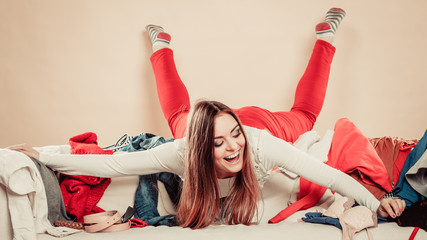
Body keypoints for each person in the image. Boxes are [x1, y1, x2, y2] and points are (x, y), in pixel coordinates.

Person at [8, 8, 406, 229]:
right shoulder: (183, 152)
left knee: (304, 114)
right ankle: (161, 45)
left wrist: (380, 201)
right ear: (200, 148)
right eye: (219, 143)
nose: (232, 148)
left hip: (258, 123)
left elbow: (331, 177)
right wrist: (42, 154)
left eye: (232, 138)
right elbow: (111, 162)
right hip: (205, 123)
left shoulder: (257, 144)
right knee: (179, 116)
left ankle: (325, 38)